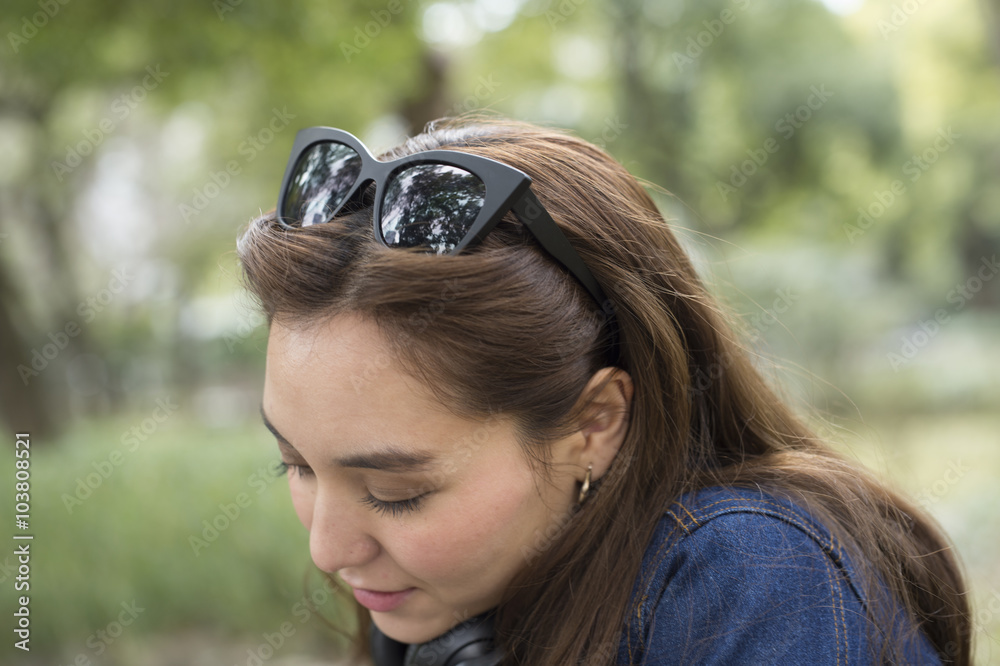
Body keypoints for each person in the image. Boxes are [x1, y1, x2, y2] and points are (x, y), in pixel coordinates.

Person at [237, 116, 971, 665]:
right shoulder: (439, 600)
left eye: (398, 493)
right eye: (295, 465)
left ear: (594, 425)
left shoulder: (754, 575)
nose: (328, 549)